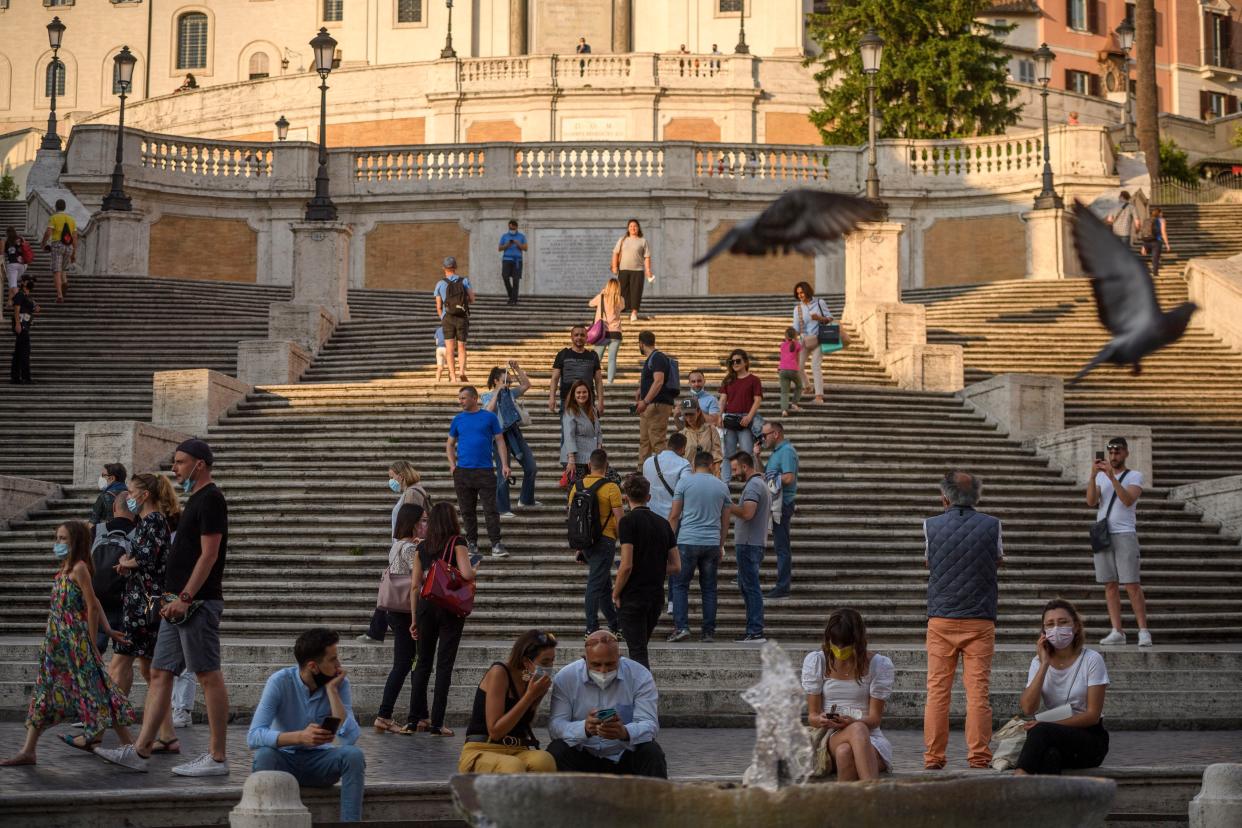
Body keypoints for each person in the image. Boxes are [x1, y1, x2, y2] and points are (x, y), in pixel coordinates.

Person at [95, 438, 232, 777]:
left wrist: (186, 596)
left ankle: (217, 757)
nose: (174, 468)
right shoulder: (195, 500)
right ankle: (141, 750)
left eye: (181, 462)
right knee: (159, 672)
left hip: (196, 602)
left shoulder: (211, 499)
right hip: (173, 602)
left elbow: (209, 554)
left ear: (199, 464)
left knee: (207, 674)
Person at [0, 521, 134, 766]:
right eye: (57, 538)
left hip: (76, 642)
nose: (58, 544)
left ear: (77, 543)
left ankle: (129, 746)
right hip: (56, 644)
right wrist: (108, 628)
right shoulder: (64, 568)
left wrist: (95, 640)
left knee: (99, 692)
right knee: (45, 692)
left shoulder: (80, 568)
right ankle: (28, 750)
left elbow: (92, 606)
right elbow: (95, 601)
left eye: (63, 539)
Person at [922, 470, 1003, 770]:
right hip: (980, 618)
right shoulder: (993, 525)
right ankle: (979, 755)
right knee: (978, 691)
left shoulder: (930, 525)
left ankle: (933, 757)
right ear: (976, 497)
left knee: (937, 691)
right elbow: (997, 559)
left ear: (945, 497)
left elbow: (930, 561)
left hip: (941, 617)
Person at [248, 628, 366, 823]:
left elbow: (350, 738)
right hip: (285, 762)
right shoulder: (279, 682)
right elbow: (254, 736)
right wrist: (299, 737)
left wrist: (332, 692)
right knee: (264, 755)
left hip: (320, 764)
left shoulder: (340, 684)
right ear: (313, 666)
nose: (339, 666)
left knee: (354, 756)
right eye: (332, 659)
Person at [107, 473, 181, 754]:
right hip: (144, 598)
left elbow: (149, 557)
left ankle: (101, 728)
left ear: (144, 495)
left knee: (123, 662)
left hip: (143, 601)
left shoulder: (152, 521)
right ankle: (167, 734)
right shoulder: (151, 521)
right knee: (148, 669)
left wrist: (127, 561)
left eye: (130, 492)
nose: (127, 497)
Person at [547, 630, 667, 777]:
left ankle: (656, 799)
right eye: (596, 665)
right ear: (585, 659)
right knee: (556, 751)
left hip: (624, 753)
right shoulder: (566, 677)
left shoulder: (639, 675)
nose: (603, 671)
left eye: (610, 664)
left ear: (619, 657)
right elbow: (555, 726)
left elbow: (650, 724)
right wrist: (584, 728)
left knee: (652, 752)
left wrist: (624, 732)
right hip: (583, 752)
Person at [1015, 599, 1110, 776]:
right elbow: (1028, 707)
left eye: (1063, 622)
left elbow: (1092, 716)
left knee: (1040, 730)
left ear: (1075, 627)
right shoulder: (1038, 663)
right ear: (1043, 632)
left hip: (1090, 739)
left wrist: (1047, 725)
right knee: (1050, 756)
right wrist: (1044, 664)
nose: (1056, 629)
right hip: (1054, 737)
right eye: (1050, 624)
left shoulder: (1092, 659)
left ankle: (1017, 781)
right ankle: (1053, 802)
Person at [408, 502, 478, 736]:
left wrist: (414, 618)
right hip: (449, 608)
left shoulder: (422, 547)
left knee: (422, 664)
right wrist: (475, 568)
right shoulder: (457, 542)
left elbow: (415, 586)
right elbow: (467, 574)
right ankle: (437, 723)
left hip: (426, 606)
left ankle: (413, 719)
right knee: (444, 665)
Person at [801, 609, 895, 781]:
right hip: (830, 735)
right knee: (856, 731)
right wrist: (821, 719)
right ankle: (874, 794)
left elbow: (874, 719)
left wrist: (853, 721)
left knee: (846, 752)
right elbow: (812, 717)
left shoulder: (878, 664)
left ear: (857, 641)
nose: (840, 649)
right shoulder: (817, 661)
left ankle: (845, 805)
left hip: (871, 737)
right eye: (836, 644)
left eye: (846, 644)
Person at [458, 630, 560, 773]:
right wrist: (529, 697)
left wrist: (536, 696)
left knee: (544, 760)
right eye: (545, 662)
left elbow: (524, 724)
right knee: (512, 766)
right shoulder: (499, 672)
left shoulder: (533, 681)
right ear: (526, 661)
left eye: (552, 660)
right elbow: (495, 731)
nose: (549, 667)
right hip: (483, 748)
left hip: (517, 749)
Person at [359, 460, 431, 645]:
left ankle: (378, 630)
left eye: (392, 477)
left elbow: (411, 519)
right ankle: (377, 630)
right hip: (401, 546)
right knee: (393, 584)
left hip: (404, 547)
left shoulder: (413, 493)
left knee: (393, 585)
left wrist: (405, 542)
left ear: (401, 475)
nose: (391, 481)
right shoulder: (412, 491)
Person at [1087, 437, 1151, 647]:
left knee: (1131, 583)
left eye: (1118, 452)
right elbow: (1091, 501)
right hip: (1103, 533)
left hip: (1125, 533)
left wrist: (1112, 478)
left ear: (1125, 453)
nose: (1114, 456)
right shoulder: (1100, 478)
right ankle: (1117, 630)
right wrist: (1093, 475)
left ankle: (1143, 630)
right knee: (1109, 583)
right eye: (1111, 452)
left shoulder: (1134, 476)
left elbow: (1127, 500)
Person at [612, 475, 680, 668]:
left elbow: (626, 565)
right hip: (655, 596)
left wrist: (616, 592)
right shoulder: (663, 524)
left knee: (638, 652)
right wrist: (653, 565)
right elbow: (676, 566)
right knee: (640, 646)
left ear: (626, 497)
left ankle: (645, 695)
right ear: (648, 497)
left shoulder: (627, 522)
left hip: (633, 596)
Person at [666, 451, 731, 643]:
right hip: (711, 542)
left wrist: (669, 544)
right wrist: (721, 544)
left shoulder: (684, 483)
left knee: (679, 585)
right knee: (709, 589)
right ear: (711, 465)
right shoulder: (722, 486)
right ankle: (708, 632)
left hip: (687, 540)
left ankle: (681, 627)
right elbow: (725, 520)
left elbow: (674, 515)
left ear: (694, 465)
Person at [374, 503, 426, 734]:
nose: (426, 525)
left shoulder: (397, 546)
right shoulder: (410, 550)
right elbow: (420, 579)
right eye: (423, 521)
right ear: (413, 524)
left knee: (415, 663)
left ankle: (422, 714)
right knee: (405, 663)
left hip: (394, 610)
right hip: (407, 611)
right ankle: (384, 715)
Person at [447, 385, 511, 558]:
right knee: (467, 511)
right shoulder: (458, 419)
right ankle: (472, 543)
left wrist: (504, 464)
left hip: (485, 470)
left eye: (464, 398)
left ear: (474, 398)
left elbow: (500, 441)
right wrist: (453, 465)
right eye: (459, 398)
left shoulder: (489, 417)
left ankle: (496, 544)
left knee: (491, 509)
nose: (460, 401)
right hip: (463, 472)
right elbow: (450, 444)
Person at [569, 449, 624, 637]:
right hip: (605, 541)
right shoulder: (611, 488)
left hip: (586, 542)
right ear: (606, 466)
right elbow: (620, 519)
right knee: (595, 584)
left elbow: (573, 517)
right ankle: (591, 627)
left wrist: (579, 546)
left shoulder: (577, 486)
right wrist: (622, 540)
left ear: (590, 465)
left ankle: (616, 625)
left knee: (603, 584)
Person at [483, 362, 539, 517]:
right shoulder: (487, 395)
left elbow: (527, 384)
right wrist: (497, 393)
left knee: (531, 467)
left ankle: (526, 499)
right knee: (503, 471)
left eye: (509, 381)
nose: (508, 384)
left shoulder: (511, 393)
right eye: (505, 381)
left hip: (514, 433)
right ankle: (502, 508)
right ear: (496, 381)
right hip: (499, 436)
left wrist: (517, 368)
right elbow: (488, 412)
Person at [728, 451, 770, 643]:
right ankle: (753, 629)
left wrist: (727, 505)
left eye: (735, 468)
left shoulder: (753, 485)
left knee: (751, 587)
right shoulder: (758, 483)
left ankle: (755, 630)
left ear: (745, 467)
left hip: (748, 544)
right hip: (753, 542)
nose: (734, 472)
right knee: (747, 586)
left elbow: (747, 513)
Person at [756, 420, 797, 599]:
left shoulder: (787, 451)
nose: (762, 438)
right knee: (779, 545)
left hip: (783, 504)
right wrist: (756, 456)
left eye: (764, 435)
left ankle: (783, 586)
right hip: (774, 504)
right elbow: (762, 476)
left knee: (782, 547)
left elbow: (789, 478)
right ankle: (782, 585)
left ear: (776, 434)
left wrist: (771, 480)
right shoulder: (775, 453)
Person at [718, 348, 762, 484]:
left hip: (745, 420)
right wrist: (719, 416)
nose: (735, 364)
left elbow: (757, 400)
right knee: (727, 453)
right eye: (732, 362)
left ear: (745, 362)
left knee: (747, 453)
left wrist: (749, 416)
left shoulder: (754, 380)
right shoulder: (728, 380)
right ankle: (725, 482)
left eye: (738, 361)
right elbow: (723, 399)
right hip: (730, 419)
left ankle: (750, 480)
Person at [635, 331, 677, 465]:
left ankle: (665, 474)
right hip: (650, 405)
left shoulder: (658, 357)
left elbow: (658, 381)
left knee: (657, 441)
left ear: (641, 344)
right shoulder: (652, 358)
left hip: (657, 405)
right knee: (645, 442)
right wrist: (641, 390)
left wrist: (645, 401)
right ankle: (641, 475)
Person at [549, 324, 604, 422]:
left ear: (587, 337)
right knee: (567, 433)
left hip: (587, 401)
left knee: (588, 432)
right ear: (571, 337)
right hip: (566, 401)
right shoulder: (562, 354)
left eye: (582, 335)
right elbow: (555, 378)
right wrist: (552, 398)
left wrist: (601, 401)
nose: (579, 337)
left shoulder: (593, 356)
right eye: (576, 335)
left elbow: (599, 380)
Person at [434, 257, 475, 383]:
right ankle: (462, 371)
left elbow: (438, 306)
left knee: (450, 348)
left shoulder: (440, 284)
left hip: (448, 318)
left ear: (444, 268)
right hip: (461, 316)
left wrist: (443, 316)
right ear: (455, 267)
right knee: (462, 346)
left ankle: (452, 376)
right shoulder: (464, 281)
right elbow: (472, 299)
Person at [792, 281, 833, 404]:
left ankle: (819, 396)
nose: (800, 295)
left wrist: (819, 318)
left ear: (807, 291)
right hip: (805, 340)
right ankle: (808, 387)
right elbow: (796, 328)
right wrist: (791, 338)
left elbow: (830, 318)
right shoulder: (798, 308)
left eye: (802, 292)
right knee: (798, 366)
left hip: (819, 338)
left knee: (815, 365)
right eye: (798, 293)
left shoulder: (820, 302)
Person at [561, 380, 603, 484]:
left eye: (584, 392)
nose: (582, 395)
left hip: (591, 457)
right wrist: (571, 459)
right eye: (578, 392)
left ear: (589, 393)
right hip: (576, 458)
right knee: (578, 491)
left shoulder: (593, 410)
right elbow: (569, 435)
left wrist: (598, 453)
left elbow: (598, 432)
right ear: (573, 395)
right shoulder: (570, 411)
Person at [611, 219, 653, 322]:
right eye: (631, 226)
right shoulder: (622, 240)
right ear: (628, 228)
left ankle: (634, 312)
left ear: (638, 228)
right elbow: (615, 253)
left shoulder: (643, 241)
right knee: (622, 291)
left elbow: (647, 256)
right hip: (623, 269)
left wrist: (648, 270)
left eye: (635, 226)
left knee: (636, 291)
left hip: (638, 270)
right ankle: (620, 310)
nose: (633, 228)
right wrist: (614, 266)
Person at [642, 431, 690, 521]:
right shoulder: (684, 464)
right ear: (683, 448)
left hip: (650, 515)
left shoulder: (648, 462)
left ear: (668, 445)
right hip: (671, 519)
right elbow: (686, 490)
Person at [589, 277, 624, 384]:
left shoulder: (601, 297)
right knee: (612, 359)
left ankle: (590, 379)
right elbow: (622, 308)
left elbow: (590, 303)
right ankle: (610, 382)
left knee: (596, 358)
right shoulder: (621, 299)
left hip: (602, 333)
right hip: (616, 333)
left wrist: (602, 292)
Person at [40, 199, 76, 303]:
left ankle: (60, 295)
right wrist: (74, 252)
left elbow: (48, 232)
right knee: (63, 268)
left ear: (56, 207)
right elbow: (75, 237)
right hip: (69, 247)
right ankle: (64, 281)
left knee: (57, 270)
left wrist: (43, 243)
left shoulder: (54, 218)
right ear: (64, 207)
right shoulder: (71, 219)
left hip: (57, 245)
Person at [676, 397, 722, 476]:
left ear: (698, 412)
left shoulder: (711, 430)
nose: (689, 418)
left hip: (709, 475)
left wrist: (716, 474)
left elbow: (717, 455)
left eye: (691, 414)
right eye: (686, 414)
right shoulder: (682, 434)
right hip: (689, 476)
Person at [10, 275, 37, 384]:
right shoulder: (20, 295)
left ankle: (15, 377)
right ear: (23, 283)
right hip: (21, 326)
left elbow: (31, 308)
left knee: (18, 352)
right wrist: (17, 324)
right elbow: (16, 309)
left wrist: (35, 307)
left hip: (24, 325)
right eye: (28, 281)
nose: (30, 282)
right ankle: (26, 377)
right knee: (25, 351)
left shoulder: (26, 296)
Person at [90, 462, 129, 528]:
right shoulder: (132, 495)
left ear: (112, 478)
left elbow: (92, 523)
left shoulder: (104, 496)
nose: (101, 478)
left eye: (103, 475)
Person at [498, 220, 527, 305]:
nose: (511, 229)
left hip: (517, 261)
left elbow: (525, 248)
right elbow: (499, 248)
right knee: (505, 277)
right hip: (506, 260)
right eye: (510, 228)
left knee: (516, 280)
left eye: (512, 228)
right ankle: (512, 296)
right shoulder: (504, 236)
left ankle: (513, 300)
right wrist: (507, 245)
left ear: (516, 227)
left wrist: (518, 244)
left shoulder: (521, 236)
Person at [778, 327, 804, 416]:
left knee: (784, 392)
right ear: (795, 335)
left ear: (786, 335)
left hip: (782, 369)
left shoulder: (782, 345)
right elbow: (798, 359)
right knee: (799, 386)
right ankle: (794, 403)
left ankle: (784, 410)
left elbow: (782, 357)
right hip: (793, 369)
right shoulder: (797, 345)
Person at [1140, 206, 1171, 278]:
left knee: (1152, 257)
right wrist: (1167, 244)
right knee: (1155, 258)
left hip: (1147, 241)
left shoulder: (1147, 220)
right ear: (1159, 213)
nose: (1162, 214)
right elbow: (1163, 232)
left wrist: (1143, 246)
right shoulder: (1162, 220)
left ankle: (1147, 272)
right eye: (1161, 212)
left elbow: (1144, 232)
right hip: (1156, 242)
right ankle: (1155, 274)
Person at [4, 226, 28, 308]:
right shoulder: (21, 238)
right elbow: (26, 248)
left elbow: (5, 253)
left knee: (13, 285)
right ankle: (9, 301)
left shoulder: (7, 242)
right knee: (12, 283)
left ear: (7, 233)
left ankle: (23, 301)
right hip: (23, 265)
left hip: (12, 265)